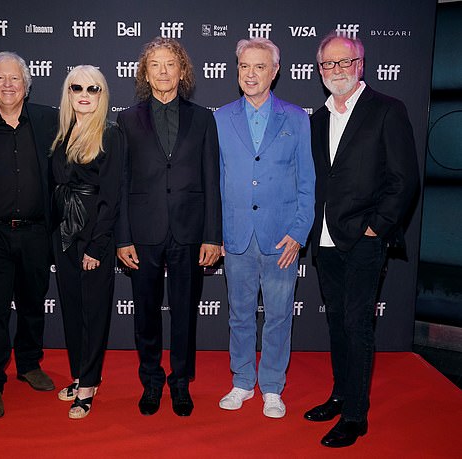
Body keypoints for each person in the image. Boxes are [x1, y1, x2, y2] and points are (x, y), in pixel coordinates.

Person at [305, 34, 419, 447]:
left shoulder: (387, 110)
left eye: (343, 62)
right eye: (327, 65)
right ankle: (340, 395)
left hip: (366, 239)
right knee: (337, 322)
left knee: (357, 325)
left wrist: (377, 227)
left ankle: (356, 415)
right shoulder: (315, 120)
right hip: (325, 239)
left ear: (360, 65)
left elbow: (404, 180)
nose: (335, 70)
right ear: (320, 72)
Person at [116, 37, 222, 417]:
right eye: (155, 65)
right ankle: (151, 381)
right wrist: (123, 236)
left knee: (184, 313)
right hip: (143, 233)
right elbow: (122, 180)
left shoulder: (204, 118)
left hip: (190, 232)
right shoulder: (127, 119)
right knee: (145, 313)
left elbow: (212, 179)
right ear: (145, 72)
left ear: (182, 71)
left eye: (170, 64)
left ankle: (180, 383)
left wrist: (212, 235)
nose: (163, 71)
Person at [214, 38, 315, 419]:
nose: (250, 74)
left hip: (281, 238)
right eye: (244, 67)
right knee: (239, 314)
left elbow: (307, 180)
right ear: (237, 71)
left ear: (275, 71)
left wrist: (299, 231)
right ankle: (242, 382)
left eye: (259, 67)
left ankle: (272, 386)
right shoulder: (221, 118)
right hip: (236, 235)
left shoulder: (297, 117)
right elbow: (216, 180)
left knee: (278, 314)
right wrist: (217, 232)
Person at [0, 51, 58, 419]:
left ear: (26, 85)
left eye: (14, 78)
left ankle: (30, 365)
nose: (7, 84)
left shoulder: (49, 121)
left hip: (36, 232)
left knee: (34, 304)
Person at [51, 65, 122, 419]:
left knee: (94, 311)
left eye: (92, 89)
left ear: (101, 94)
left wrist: (97, 246)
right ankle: (78, 372)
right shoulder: (61, 133)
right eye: (76, 87)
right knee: (72, 307)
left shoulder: (110, 134)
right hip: (63, 233)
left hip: (95, 234)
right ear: (67, 92)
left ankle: (89, 383)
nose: (83, 93)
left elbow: (112, 197)